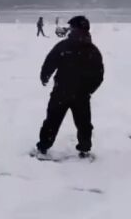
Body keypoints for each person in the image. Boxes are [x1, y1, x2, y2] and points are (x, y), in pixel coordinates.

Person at [34, 16, 104, 159]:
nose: (70, 30)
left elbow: (50, 62)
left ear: (75, 29)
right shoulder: (92, 50)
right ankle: (84, 149)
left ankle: (43, 148)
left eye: (71, 27)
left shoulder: (64, 46)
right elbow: (99, 75)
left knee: (52, 121)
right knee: (83, 123)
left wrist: (45, 76)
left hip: (61, 92)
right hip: (81, 95)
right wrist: (88, 90)